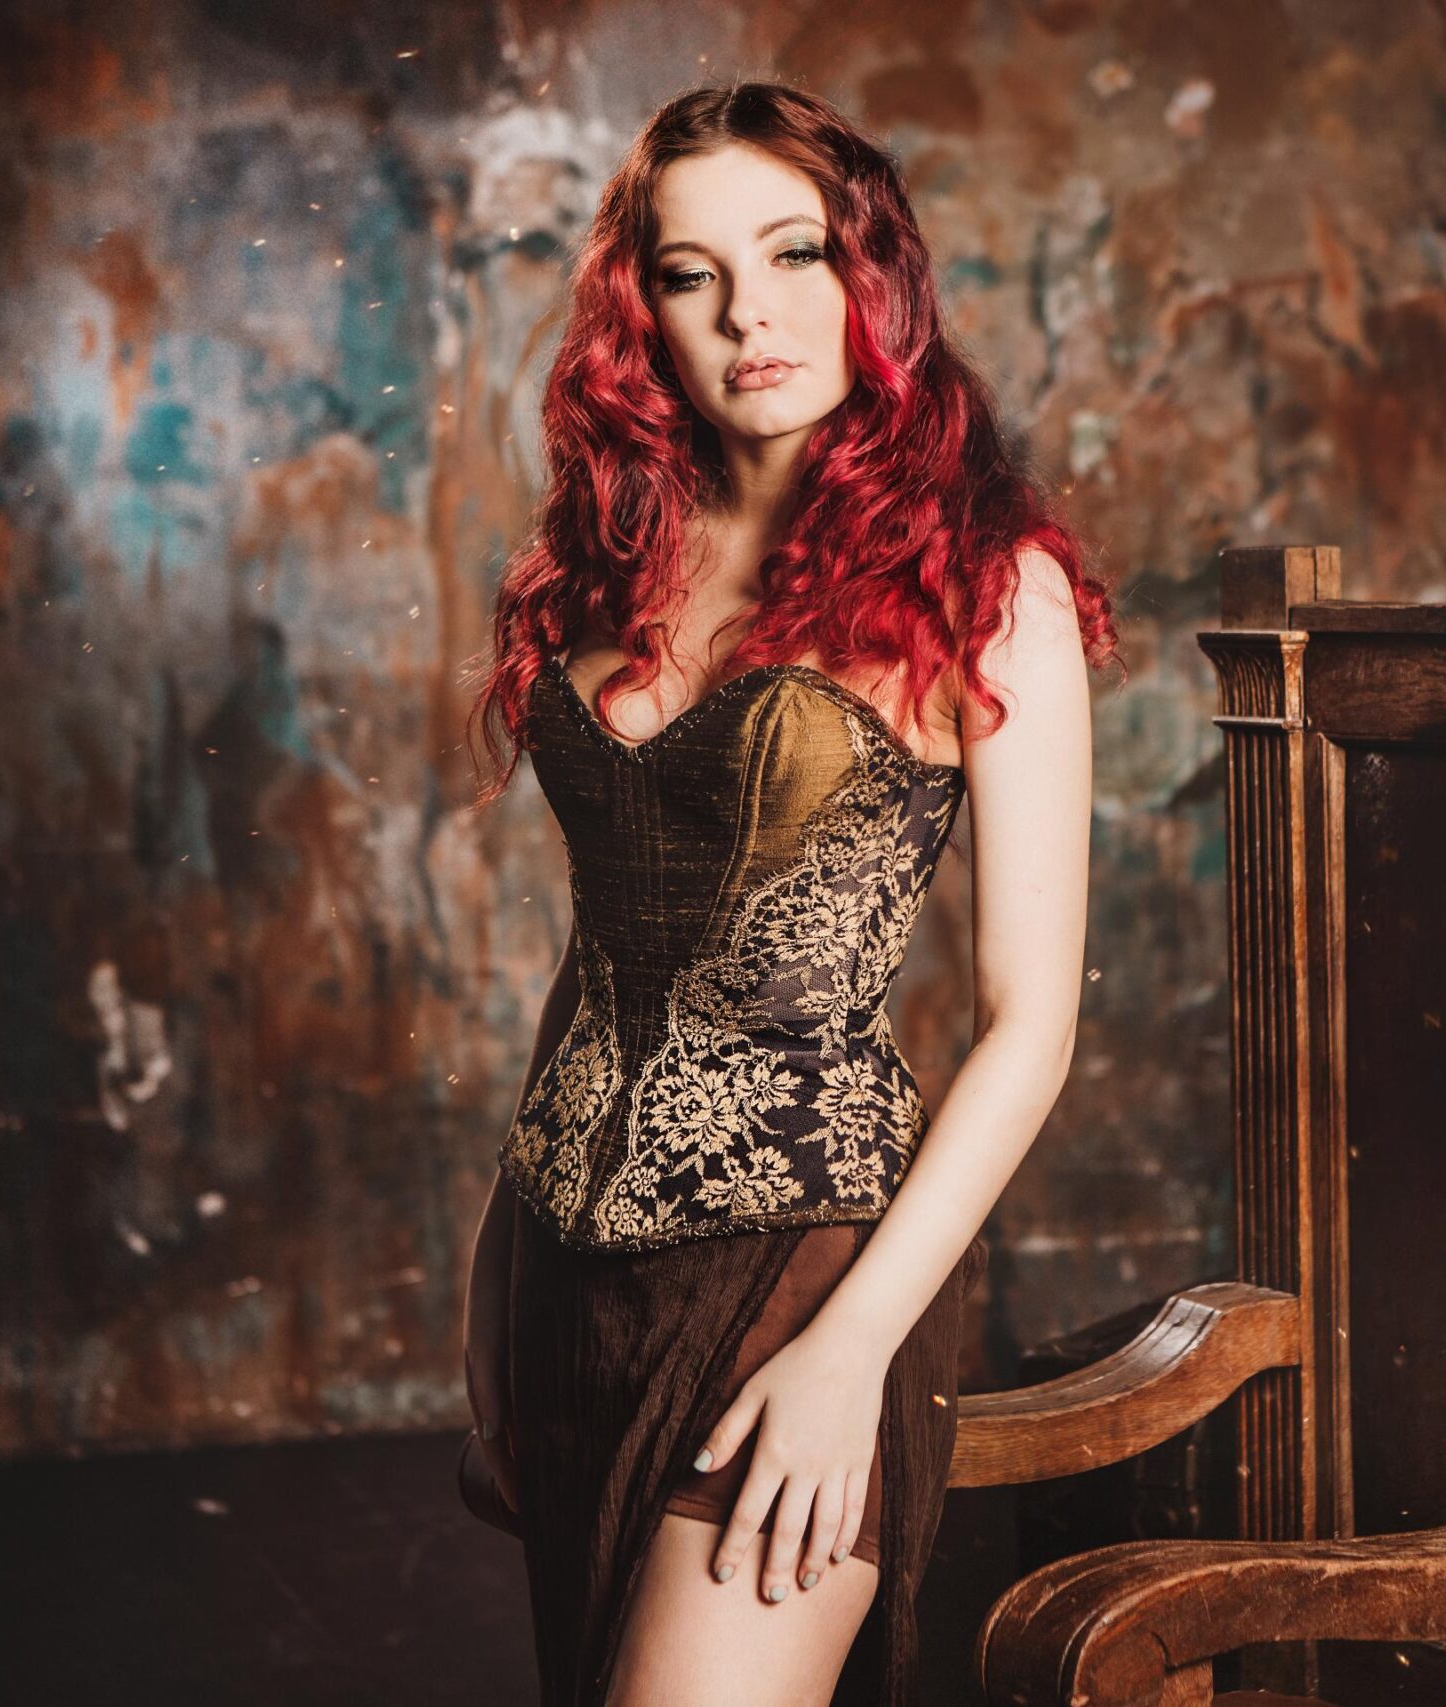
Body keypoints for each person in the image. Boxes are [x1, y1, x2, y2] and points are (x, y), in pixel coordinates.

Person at [454, 81, 1118, 1707]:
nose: (751, 313)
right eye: (691, 274)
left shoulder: (984, 582)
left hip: (810, 1268)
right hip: (560, 1267)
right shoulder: (612, 563)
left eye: (795, 251)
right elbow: (605, 951)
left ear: (868, 270)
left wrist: (849, 1356)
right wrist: (495, 1265)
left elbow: (1030, 1027)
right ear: (646, 311)